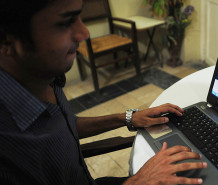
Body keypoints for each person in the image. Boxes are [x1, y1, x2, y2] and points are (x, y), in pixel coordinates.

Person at [0, 0, 207, 185]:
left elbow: (64, 125)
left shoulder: (45, 77)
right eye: (65, 22)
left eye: (79, 16)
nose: (84, 33)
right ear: (6, 40)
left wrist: (129, 118)